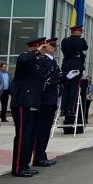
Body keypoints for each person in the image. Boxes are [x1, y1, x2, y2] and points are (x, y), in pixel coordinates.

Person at [11, 38, 48, 177]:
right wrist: (38, 52)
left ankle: (25, 164)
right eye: (42, 47)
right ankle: (18, 167)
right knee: (23, 136)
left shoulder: (38, 62)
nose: (44, 50)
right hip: (23, 102)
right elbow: (24, 60)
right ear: (36, 47)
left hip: (33, 103)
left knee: (30, 136)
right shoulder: (24, 57)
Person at [33, 38, 60, 168]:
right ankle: (38, 156)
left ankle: (41, 155)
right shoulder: (43, 60)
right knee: (42, 129)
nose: (54, 49)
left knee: (46, 129)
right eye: (51, 46)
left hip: (51, 99)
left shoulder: (52, 61)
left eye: (54, 47)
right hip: (44, 100)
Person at [60, 25, 88, 123]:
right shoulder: (80, 40)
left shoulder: (65, 40)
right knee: (74, 88)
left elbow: (63, 50)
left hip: (66, 66)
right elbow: (85, 47)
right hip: (76, 67)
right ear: (76, 32)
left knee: (66, 88)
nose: (81, 33)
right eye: (80, 31)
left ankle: (63, 108)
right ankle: (71, 109)